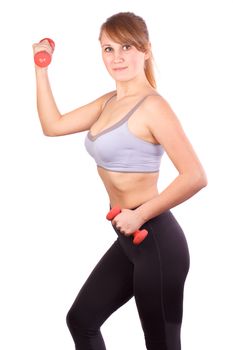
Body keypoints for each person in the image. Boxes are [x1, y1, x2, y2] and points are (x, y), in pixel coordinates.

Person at [33, 11, 207, 350]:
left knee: (161, 342)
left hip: (155, 240)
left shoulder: (153, 106)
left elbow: (196, 176)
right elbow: (52, 125)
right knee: (81, 321)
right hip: (130, 240)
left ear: (145, 50)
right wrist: (42, 68)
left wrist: (140, 214)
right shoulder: (108, 102)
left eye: (126, 47)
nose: (117, 57)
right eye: (108, 49)